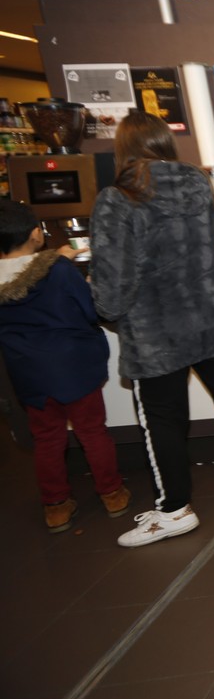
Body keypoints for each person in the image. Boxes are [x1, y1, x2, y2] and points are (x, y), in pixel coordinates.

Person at [90, 110, 214, 548]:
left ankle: (174, 510)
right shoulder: (197, 183)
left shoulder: (118, 197)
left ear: (123, 148)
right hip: (211, 314)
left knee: (162, 419)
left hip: (157, 329)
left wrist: (106, 309)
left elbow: (114, 279)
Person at [0, 200, 130, 532]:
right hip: (74, 366)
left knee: (46, 438)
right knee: (92, 431)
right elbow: (90, 310)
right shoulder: (58, 270)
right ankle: (112, 494)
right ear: (35, 234)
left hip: (28, 372)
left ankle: (56, 506)